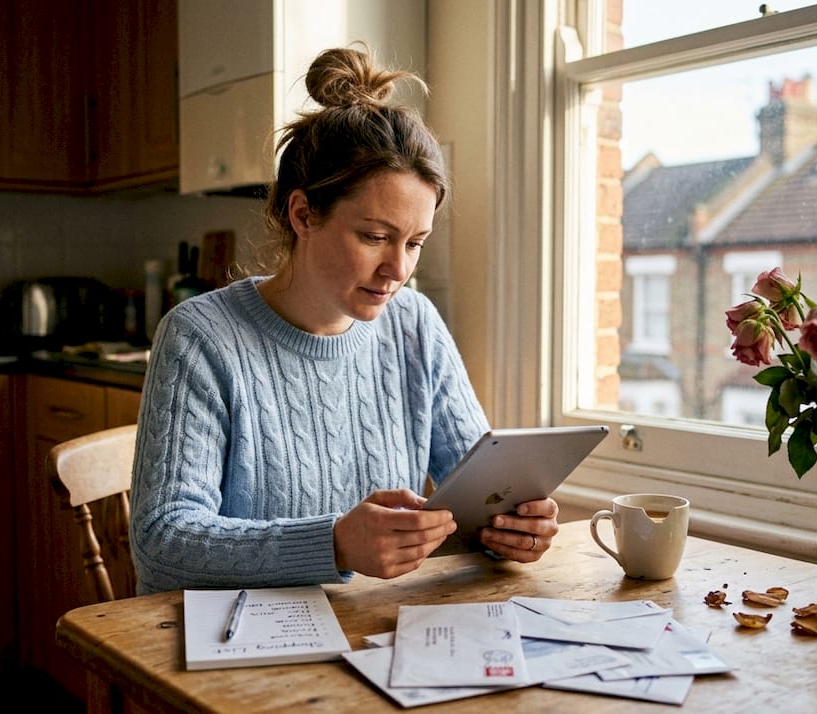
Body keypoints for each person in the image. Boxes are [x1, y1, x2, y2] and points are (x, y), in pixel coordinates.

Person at [129, 47, 560, 594]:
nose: (397, 269)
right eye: (375, 237)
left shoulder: (415, 324)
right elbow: (160, 545)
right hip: (240, 649)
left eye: (415, 243)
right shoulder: (199, 337)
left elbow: (478, 491)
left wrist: (513, 525)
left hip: (374, 633)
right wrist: (333, 543)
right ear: (303, 213)